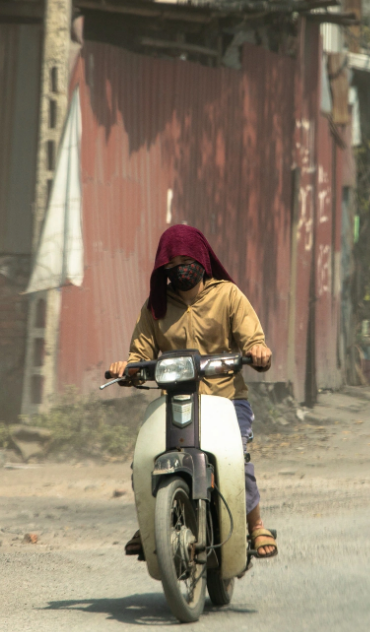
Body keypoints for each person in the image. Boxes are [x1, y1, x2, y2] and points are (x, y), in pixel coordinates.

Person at [108, 225, 278, 559]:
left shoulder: (227, 296)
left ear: (201, 259)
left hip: (226, 399)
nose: (181, 268)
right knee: (144, 459)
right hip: (175, 403)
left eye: (187, 260)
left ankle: (256, 525)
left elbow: (252, 338)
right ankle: (151, 523)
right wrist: (125, 368)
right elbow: (139, 355)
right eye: (173, 264)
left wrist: (258, 349)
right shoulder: (155, 307)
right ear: (164, 269)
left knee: (236, 458)